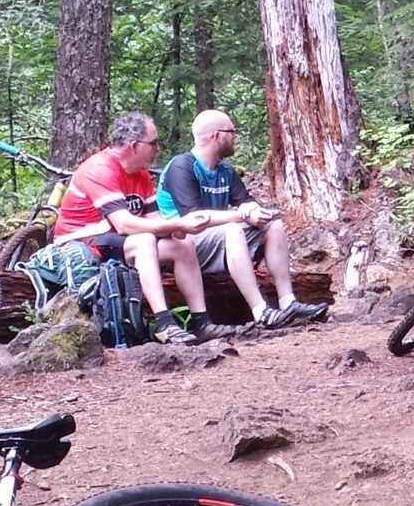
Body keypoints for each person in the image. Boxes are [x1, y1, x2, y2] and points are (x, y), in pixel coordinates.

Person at [45, 113, 240, 344]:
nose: (158, 149)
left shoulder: (140, 173)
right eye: (154, 143)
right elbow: (124, 223)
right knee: (145, 241)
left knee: (181, 244)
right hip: (82, 243)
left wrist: (178, 229)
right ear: (134, 145)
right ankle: (165, 323)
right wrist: (176, 223)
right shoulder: (100, 168)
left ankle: (201, 322)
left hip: (116, 240)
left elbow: (154, 219)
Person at [159, 109, 330, 329]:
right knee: (233, 229)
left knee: (273, 226)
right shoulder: (181, 166)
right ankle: (261, 311)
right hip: (184, 246)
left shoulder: (225, 171)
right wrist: (242, 215)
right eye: (231, 132)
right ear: (216, 135)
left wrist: (254, 211)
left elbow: (246, 201)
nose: (234, 137)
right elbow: (193, 218)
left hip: (216, 241)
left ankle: (288, 302)